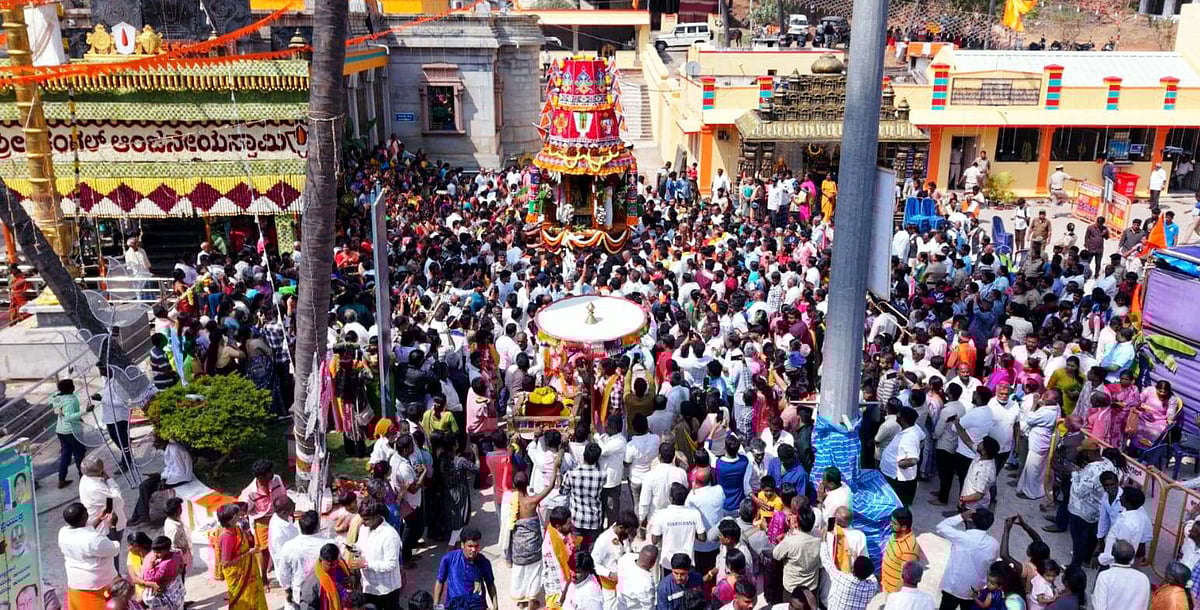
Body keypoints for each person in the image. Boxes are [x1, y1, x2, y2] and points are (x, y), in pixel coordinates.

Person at [59, 502, 120, 610]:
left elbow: (84, 532)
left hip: (76, 585)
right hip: (99, 587)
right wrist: (113, 526)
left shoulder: (63, 533)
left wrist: (99, 519)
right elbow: (114, 549)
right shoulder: (94, 540)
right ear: (84, 516)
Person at [936, 508, 999, 610]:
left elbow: (941, 526)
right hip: (974, 590)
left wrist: (961, 516)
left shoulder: (962, 537)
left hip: (953, 587)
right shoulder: (994, 544)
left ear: (970, 520)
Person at [238, 459, 287, 586]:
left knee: (283, 545)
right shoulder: (249, 493)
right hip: (262, 521)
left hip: (278, 516)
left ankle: (284, 574)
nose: (273, 474)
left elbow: (283, 495)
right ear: (260, 477)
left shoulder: (277, 479)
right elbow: (244, 511)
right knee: (264, 550)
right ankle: (264, 578)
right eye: (269, 473)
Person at [129, 434, 193, 527]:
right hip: (171, 477)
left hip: (182, 478)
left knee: (146, 487)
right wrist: (160, 475)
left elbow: (180, 473)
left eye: (155, 442)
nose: (154, 445)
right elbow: (170, 468)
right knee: (144, 485)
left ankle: (141, 515)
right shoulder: (168, 449)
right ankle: (140, 515)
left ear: (162, 441)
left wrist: (164, 480)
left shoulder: (174, 451)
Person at [215, 503, 269, 610]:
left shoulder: (236, 529)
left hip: (249, 573)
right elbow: (225, 563)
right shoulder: (227, 537)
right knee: (242, 601)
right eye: (236, 515)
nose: (239, 516)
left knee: (254, 597)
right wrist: (248, 553)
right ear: (230, 520)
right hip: (238, 576)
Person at [275, 511, 329, 610]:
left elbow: (283, 574)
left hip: (298, 594)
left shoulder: (288, 546)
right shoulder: (329, 544)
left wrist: (287, 591)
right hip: (325, 594)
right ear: (318, 525)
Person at [77, 455, 125, 566]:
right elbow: (117, 501)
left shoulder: (86, 479)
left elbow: (108, 504)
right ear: (100, 471)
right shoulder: (95, 487)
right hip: (106, 527)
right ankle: (115, 577)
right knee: (113, 555)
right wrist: (110, 481)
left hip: (103, 517)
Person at [435, 526, 497, 610]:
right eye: (470, 546)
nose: (474, 549)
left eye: (476, 546)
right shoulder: (449, 559)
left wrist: (495, 607)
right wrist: (436, 605)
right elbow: (440, 581)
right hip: (454, 606)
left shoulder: (484, 562)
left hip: (477, 606)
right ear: (462, 545)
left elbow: (490, 585)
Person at [648, 483, 706, 571]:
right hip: (687, 561)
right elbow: (702, 537)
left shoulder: (661, 514)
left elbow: (654, 540)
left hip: (668, 562)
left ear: (670, 498)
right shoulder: (694, 513)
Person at [357, 500, 404, 608]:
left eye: (366, 519)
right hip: (368, 586)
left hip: (386, 590)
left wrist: (366, 564)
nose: (363, 522)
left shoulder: (389, 535)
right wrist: (354, 550)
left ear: (377, 516)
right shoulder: (364, 529)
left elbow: (391, 564)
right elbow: (360, 545)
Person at [593, 510, 638, 610]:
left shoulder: (624, 536)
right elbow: (594, 563)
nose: (631, 534)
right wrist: (610, 574)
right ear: (621, 527)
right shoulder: (603, 540)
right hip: (609, 586)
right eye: (629, 531)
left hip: (625, 583)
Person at [819, 537, 878, 610]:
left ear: (853, 569)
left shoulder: (842, 579)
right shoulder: (872, 586)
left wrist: (823, 540)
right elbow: (869, 572)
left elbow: (826, 562)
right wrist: (855, 557)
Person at [881, 407, 924, 506]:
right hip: (895, 474)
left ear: (903, 420)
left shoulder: (909, 437)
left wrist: (901, 464)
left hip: (898, 476)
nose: (897, 416)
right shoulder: (914, 428)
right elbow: (923, 438)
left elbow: (913, 460)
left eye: (899, 415)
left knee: (898, 502)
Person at [1091, 541, 1149, 610]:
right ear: (1132, 557)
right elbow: (1144, 605)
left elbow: (1099, 607)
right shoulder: (1143, 578)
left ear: (1112, 554)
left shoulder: (1105, 576)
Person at [51, 379, 87, 489]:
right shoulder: (71, 400)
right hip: (71, 430)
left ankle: (61, 479)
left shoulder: (57, 398)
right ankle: (83, 478)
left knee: (65, 454)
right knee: (79, 453)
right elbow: (68, 417)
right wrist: (85, 411)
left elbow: (58, 411)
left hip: (60, 430)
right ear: (72, 388)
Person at [881, 507, 926, 594]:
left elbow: (905, 578)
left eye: (894, 523)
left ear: (904, 528)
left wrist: (895, 596)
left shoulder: (909, 550)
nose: (890, 524)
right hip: (886, 585)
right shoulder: (895, 533)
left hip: (894, 592)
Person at [141, 536, 186, 610]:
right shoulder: (176, 554)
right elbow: (181, 566)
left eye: (159, 552)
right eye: (154, 552)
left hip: (166, 590)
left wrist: (151, 566)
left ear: (167, 550)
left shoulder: (165, 564)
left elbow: (149, 577)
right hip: (175, 587)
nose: (155, 554)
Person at [616, 546, 658, 610]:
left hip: (620, 602)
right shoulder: (647, 583)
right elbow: (649, 607)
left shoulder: (625, 558)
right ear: (653, 563)